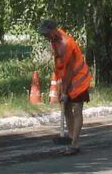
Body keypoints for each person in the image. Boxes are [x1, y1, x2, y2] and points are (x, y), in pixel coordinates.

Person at [38, 20, 93, 154]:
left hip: (78, 80)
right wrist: (60, 86)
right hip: (66, 81)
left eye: (46, 34)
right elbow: (60, 65)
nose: (45, 37)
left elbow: (69, 70)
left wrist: (65, 91)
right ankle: (71, 139)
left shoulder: (66, 44)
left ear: (53, 30)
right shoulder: (55, 40)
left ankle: (74, 144)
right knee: (66, 109)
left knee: (76, 109)